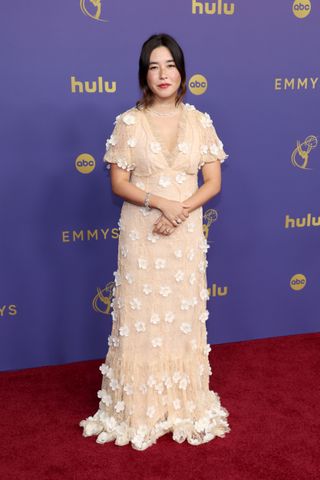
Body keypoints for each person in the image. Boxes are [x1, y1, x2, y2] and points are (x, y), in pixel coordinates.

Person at [79, 33, 231, 451]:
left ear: (182, 71)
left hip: (182, 234)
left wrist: (178, 210)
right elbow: (118, 181)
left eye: (170, 65)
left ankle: (182, 403)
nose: (163, 74)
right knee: (142, 315)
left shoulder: (201, 121)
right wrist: (159, 202)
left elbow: (213, 181)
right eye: (153, 66)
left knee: (180, 315)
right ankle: (139, 407)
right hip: (141, 233)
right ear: (144, 74)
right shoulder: (128, 122)